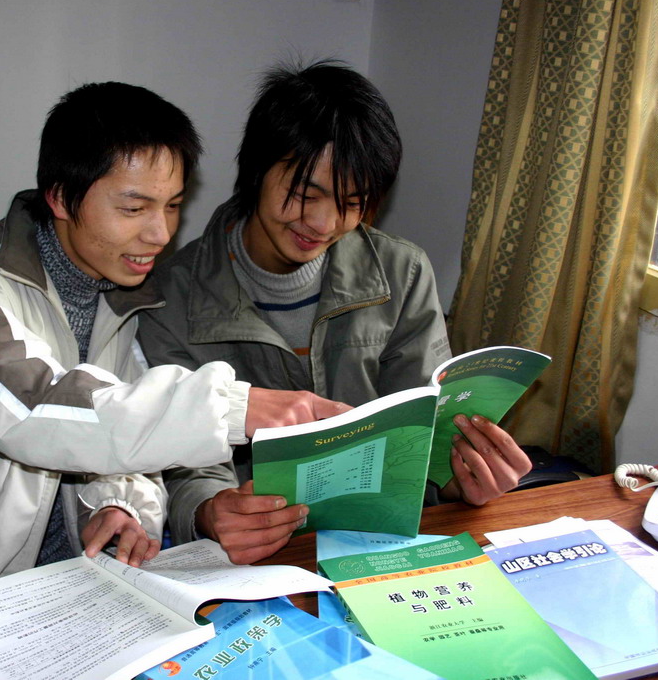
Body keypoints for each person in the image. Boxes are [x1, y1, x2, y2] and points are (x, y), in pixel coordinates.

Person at [0, 81, 346, 680]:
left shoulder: (130, 294)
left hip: (69, 609)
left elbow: (125, 434)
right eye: (134, 208)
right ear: (60, 196)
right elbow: (33, 411)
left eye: (173, 205)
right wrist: (235, 408)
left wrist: (116, 507)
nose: (161, 234)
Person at [138, 60, 533, 565]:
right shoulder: (170, 295)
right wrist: (210, 511)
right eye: (305, 194)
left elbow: (422, 429)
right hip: (257, 556)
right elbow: (176, 449)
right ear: (256, 170)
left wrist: (461, 479)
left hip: (377, 541)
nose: (323, 224)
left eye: (352, 203)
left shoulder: (402, 274)